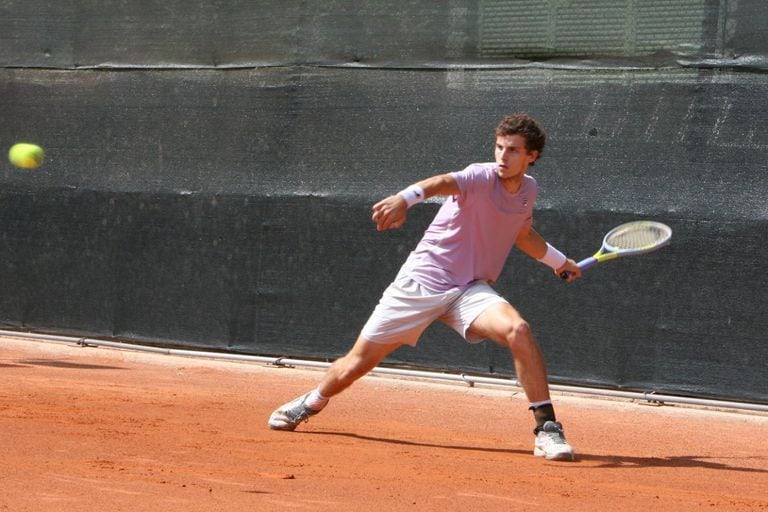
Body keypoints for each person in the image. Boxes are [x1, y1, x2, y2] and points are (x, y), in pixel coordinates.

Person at [268, 113, 582, 461]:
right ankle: (312, 401)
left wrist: (558, 262)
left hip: (468, 289)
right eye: (499, 147)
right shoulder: (480, 176)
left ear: (531, 156)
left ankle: (547, 429)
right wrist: (405, 199)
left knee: (518, 330)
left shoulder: (528, 190)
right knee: (355, 365)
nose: (502, 157)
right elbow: (442, 182)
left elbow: (521, 234)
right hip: (421, 283)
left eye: (512, 150)